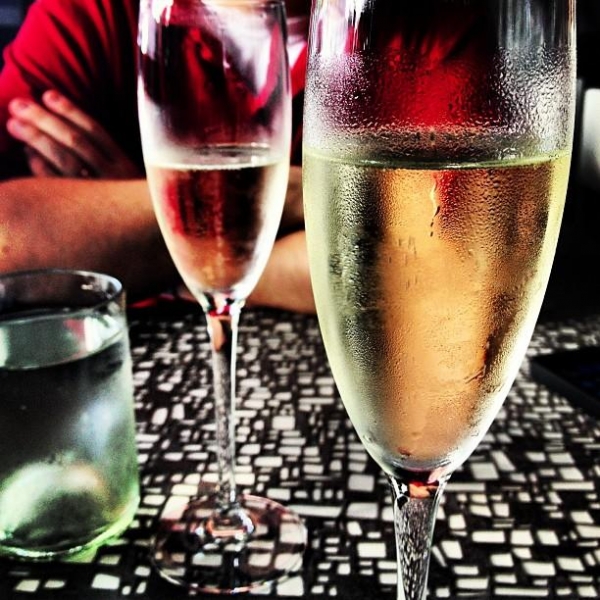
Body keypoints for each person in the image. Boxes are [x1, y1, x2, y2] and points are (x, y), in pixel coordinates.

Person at [0, 0, 315, 313]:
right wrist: (293, 193)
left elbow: (346, 273)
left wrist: (136, 232)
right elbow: (7, 241)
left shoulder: (344, 25)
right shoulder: (93, 12)